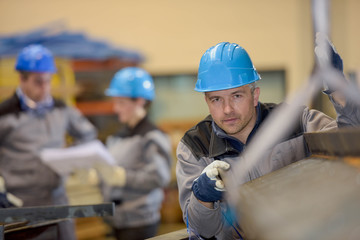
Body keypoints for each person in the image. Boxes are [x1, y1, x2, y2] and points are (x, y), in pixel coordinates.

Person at [176, 41, 360, 239]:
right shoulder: (194, 147)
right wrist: (202, 198)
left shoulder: (296, 122)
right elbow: (201, 230)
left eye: (236, 96)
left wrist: (340, 91)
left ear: (255, 95)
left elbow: (351, 147)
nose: (227, 109)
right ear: (207, 101)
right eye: (216, 99)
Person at [0, 44, 97, 240]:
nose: (45, 87)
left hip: (58, 198)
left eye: (48, 81)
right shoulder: (5, 115)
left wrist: (75, 158)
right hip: (21, 203)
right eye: (38, 82)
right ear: (22, 79)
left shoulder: (62, 109)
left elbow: (88, 134)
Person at [95, 67, 173, 240]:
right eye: (115, 102)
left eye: (121, 103)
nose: (116, 108)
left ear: (139, 101)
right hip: (116, 220)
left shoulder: (152, 137)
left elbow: (159, 177)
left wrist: (124, 177)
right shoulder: (117, 137)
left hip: (139, 223)